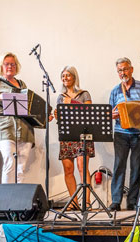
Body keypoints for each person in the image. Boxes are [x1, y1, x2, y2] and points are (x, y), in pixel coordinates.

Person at [108, 58, 140, 211]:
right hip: (121, 133)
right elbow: (110, 112)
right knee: (119, 166)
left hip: (139, 133)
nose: (123, 73)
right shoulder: (115, 90)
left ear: (131, 69)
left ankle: (132, 201)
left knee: (136, 167)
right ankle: (116, 201)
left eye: (125, 69)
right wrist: (112, 115)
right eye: (120, 70)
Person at [0, 53, 35, 184]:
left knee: (21, 167)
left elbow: (28, 104)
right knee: (9, 162)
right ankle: (6, 200)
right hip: (4, 127)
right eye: (7, 64)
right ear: (1, 66)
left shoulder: (22, 84)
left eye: (13, 64)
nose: (10, 66)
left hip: (25, 128)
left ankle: (18, 202)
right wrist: (1, 97)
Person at [57, 66, 95, 210]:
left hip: (82, 134)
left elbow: (89, 112)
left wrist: (71, 103)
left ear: (74, 77)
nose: (65, 78)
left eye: (68, 75)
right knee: (68, 169)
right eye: (63, 76)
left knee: (81, 166)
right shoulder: (61, 97)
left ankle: (86, 201)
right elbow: (61, 116)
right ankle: (73, 202)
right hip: (67, 135)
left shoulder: (84, 94)